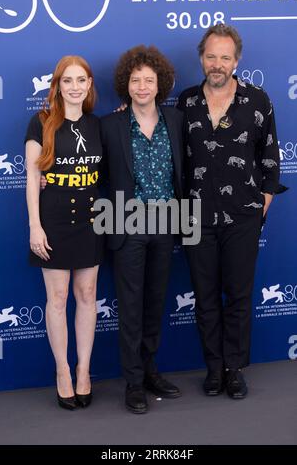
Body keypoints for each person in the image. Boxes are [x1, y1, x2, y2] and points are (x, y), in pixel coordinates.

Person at [177, 24, 280, 399]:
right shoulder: (185, 103)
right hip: (195, 218)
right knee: (204, 297)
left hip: (243, 218)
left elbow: (270, 160)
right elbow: (156, 135)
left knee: (237, 295)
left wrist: (260, 206)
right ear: (201, 59)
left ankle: (234, 369)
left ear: (237, 60)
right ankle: (214, 368)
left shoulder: (257, 100)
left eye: (225, 57)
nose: (217, 64)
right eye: (211, 56)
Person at [100, 45, 184, 413]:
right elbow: (91, 172)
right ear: (126, 85)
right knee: (131, 307)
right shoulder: (111, 124)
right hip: (127, 224)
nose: (142, 86)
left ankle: (150, 370)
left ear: (160, 83)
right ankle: (133, 382)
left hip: (167, 222)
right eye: (136, 80)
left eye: (149, 80)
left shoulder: (176, 121)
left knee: (154, 302)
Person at [25, 55, 104, 410]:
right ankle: (63, 373)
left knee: (87, 295)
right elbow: (30, 178)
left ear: (89, 85)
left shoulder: (98, 126)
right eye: (67, 80)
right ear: (57, 86)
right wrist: (35, 226)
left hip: (90, 222)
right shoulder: (40, 122)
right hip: (52, 223)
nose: (75, 87)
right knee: (57, 300)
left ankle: (84, 371)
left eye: (81, 80)